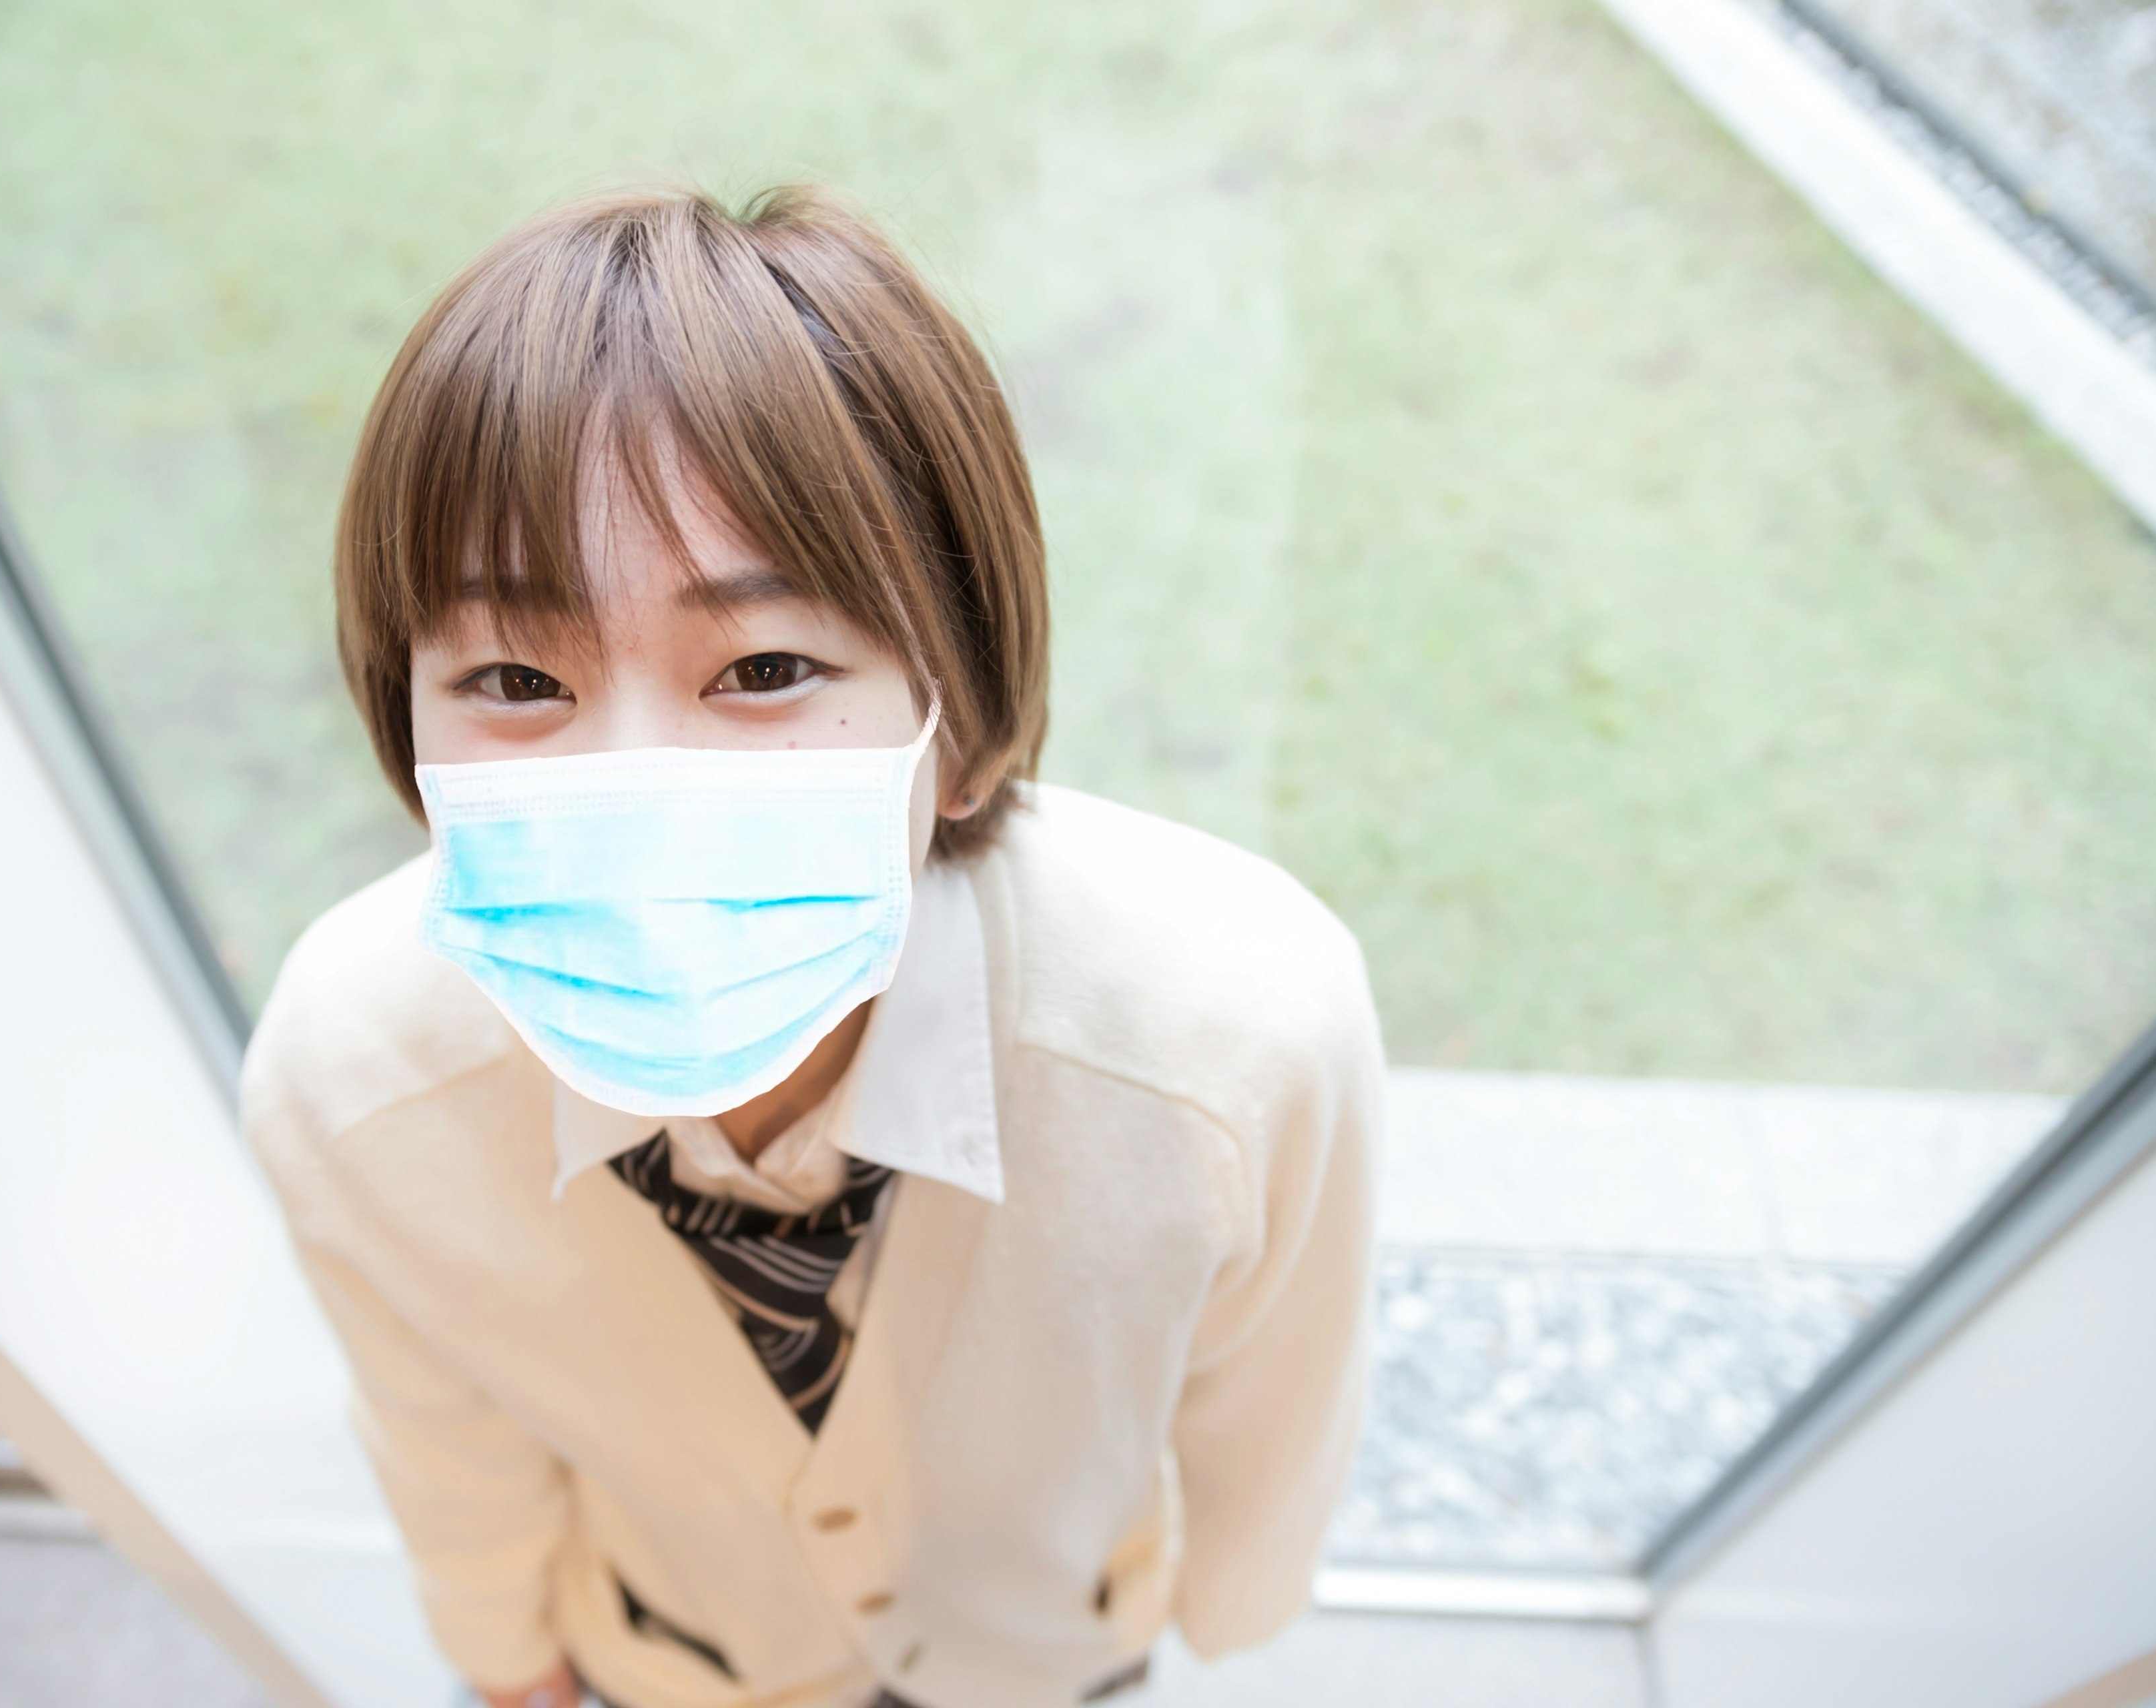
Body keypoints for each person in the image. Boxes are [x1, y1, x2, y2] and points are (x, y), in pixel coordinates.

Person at [242, 184, 1383, 1708]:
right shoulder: (349, 1072)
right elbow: (444, 1431)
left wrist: (1236, 1601)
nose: (629, 785)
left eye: (764, 665)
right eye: (516, 675)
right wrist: (506, 1659)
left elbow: (1274, 1401)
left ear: (961, 720)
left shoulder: (1239, 1031)